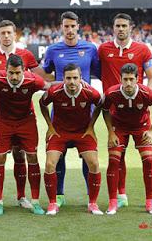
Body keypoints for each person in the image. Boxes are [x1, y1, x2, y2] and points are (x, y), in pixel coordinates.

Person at [0, 54, 53, 216]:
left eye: (17, 73)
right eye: (11, 73)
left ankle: (34, 201)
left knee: (32, 157)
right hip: (3, 122)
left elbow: (49, 86)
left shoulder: (33, 80)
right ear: (5, 71)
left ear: (23, 71)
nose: (14, 76)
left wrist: (73, 82)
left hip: (26, 122)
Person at [0, 19, 46, 210]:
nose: (6, 36)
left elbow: (43, 80)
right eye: (2, 33)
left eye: (9, 33)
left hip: (24, 113)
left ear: (15, 34)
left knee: (20, 155)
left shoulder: (26, 55)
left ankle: (22, 197)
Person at [42, 11, 100, 208]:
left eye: (72, 26)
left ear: (78, 27)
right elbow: (46, 75)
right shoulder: (52, 50)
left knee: (88, 157)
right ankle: (58, 195)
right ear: (61, 27)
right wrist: (55, 86)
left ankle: (90, 196)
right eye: (65, 26)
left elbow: (100, 73)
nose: (69, 30)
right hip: (59, 111)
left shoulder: (91, 49)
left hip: (85, 112)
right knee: (58, 156)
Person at [98, 13, 152, 208]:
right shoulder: (103, 49)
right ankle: (120, 196)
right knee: (117, 157)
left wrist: (145, 96)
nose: (121, 29)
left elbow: (151, 77)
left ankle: (149, 202)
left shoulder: (143, 49)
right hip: (114, 114)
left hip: (139, 114)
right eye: (118, 26)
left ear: (131, 27)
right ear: (113, 28)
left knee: (147, 158)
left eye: (124, 26)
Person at [40, 64, 103, 216]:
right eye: (68, 78)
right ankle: (52, 203)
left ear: (81, 78)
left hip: (82, 133)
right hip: (60, 132)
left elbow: (100, 104)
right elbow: (42, 104)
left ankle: (93, 203)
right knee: (49, 164)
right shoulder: (54, 92)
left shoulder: (90, 92)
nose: (72, 82)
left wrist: (91, 126)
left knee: (94, 163)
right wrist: (50, 126)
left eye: (75, 78)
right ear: (63, 79)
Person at [102, 63, 152, 215]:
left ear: (137, 79)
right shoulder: (112, 93)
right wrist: (111, 132)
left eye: (131, 79)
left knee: (148, 160)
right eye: (125, 79)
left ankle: (150, 203)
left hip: (141, 127)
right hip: (119, 128)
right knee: (114, 159)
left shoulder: (147, 93)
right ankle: (113, 203)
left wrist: (151, 131)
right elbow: (104, 110)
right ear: (120, 79)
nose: (128, 83)